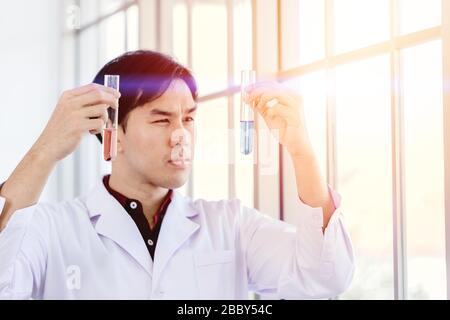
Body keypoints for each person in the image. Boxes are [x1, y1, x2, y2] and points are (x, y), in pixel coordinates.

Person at [0, 50, 354, 299]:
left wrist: (302, 151)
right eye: (161, 119)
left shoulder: (230, 224)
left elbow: (324, 276)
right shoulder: (52, 229)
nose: (180, 134)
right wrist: (45, 149)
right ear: (113, 129)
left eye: (188, 118)